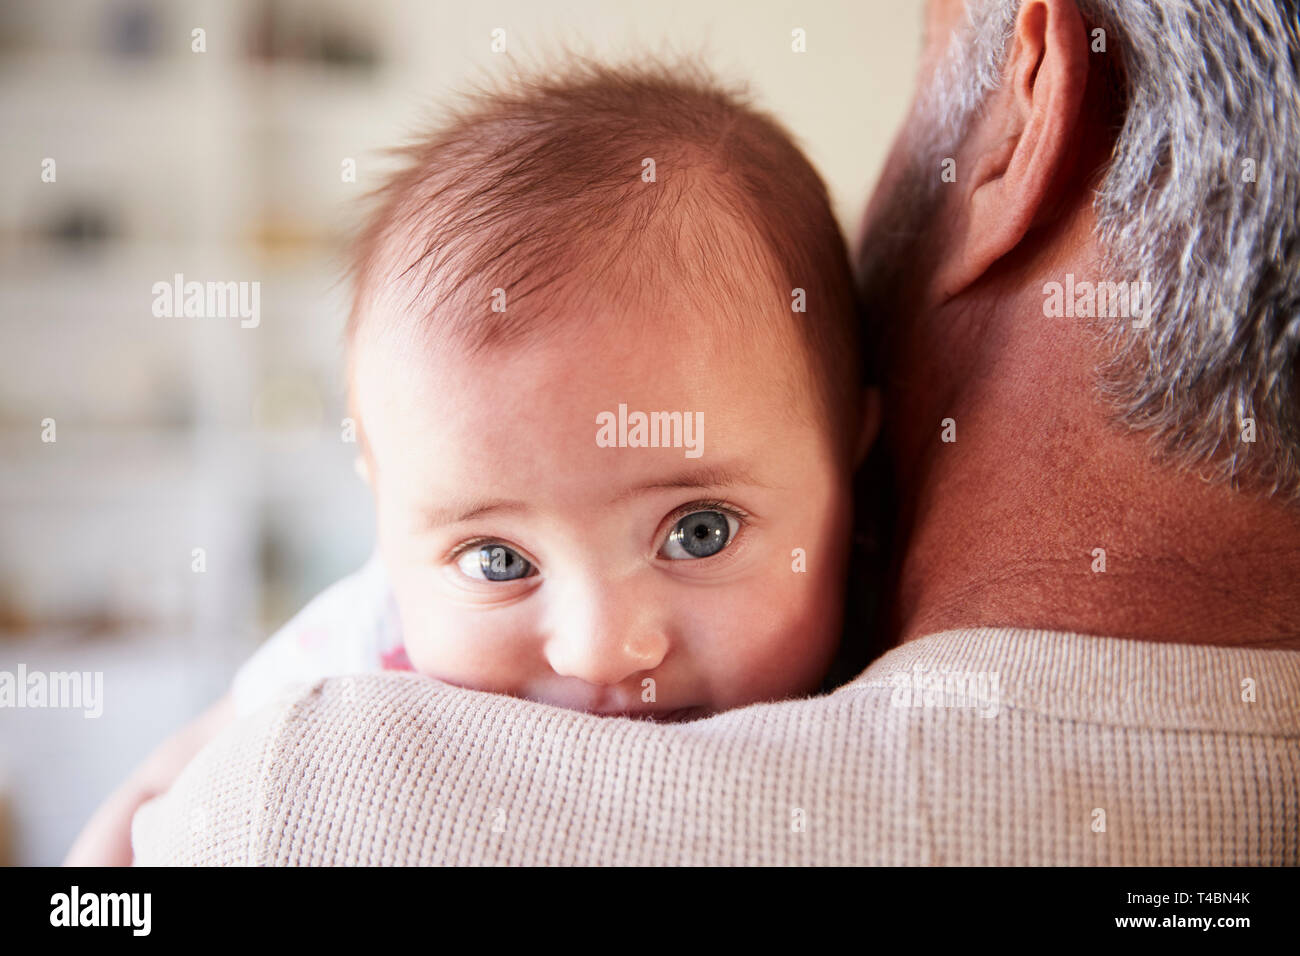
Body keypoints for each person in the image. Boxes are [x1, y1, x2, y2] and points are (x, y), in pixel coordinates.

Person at [130, 0, 1300, 865]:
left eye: (696, 529)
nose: (599, 650)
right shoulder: (340, 666)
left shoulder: (295, 814)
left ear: (1034, 96)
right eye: (497, 560)